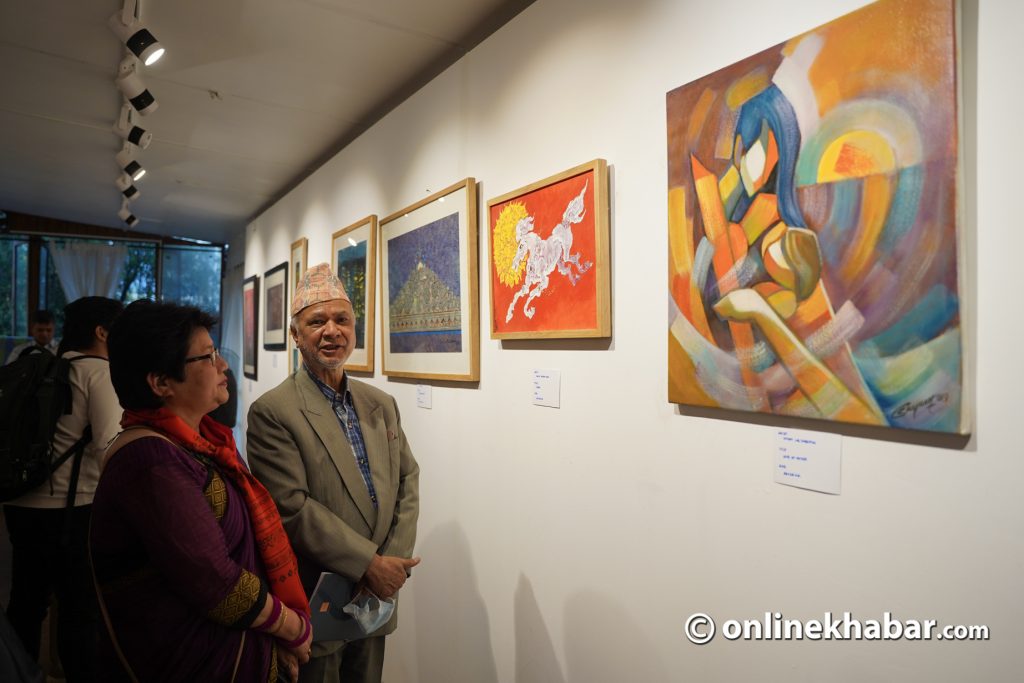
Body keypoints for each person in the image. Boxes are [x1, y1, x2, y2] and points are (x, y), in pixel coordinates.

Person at [89, 300, 313, 682]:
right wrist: (294, 629)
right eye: (208, 358)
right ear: (160, 382)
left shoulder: (202, 442)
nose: (223, 366)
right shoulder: (152, 462)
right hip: (194, 662)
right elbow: (219, 585)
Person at [247, 263, 420, 683]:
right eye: (316, 321)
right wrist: (368, 564)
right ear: (295, 335)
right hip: (315, 598)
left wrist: (389, 565)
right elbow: (292, 508)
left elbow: (407, 481)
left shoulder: (380, 403)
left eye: (342, 319)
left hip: (377, 595)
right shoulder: (274, 411)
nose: (331, 331)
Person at [3, 296, 123, 681]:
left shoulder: (45, 366)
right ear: (102, 332)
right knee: (78, 608)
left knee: (25, 601)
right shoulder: (98, 372)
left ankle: (16, 671)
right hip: (73, 509)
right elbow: (109, 445)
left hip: (22, 501)